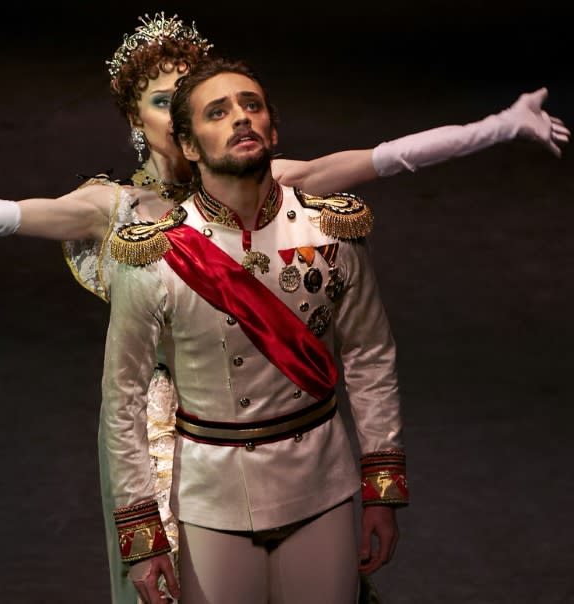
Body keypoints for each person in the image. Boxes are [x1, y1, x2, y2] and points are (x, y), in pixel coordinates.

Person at [0, 13, 569, 604]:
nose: (186, 116)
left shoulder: (273, 179)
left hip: (286, 427)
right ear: (139, 123)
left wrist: (499, 125)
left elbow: (384, 157)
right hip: (166, 416)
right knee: (169, 579)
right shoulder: (112, 204)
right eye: (164, 103)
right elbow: (5, 214)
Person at [101, 55, 407, 604]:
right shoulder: (154, 257)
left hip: (322, 485)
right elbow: (123, 401)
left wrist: (381, 486)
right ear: (189, 145)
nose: (240, 118)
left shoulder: (330, 230)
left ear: (273, 127)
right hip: (211, 497)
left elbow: (369, 355)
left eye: (252, 106)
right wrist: (143, 536)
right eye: (217, 112)